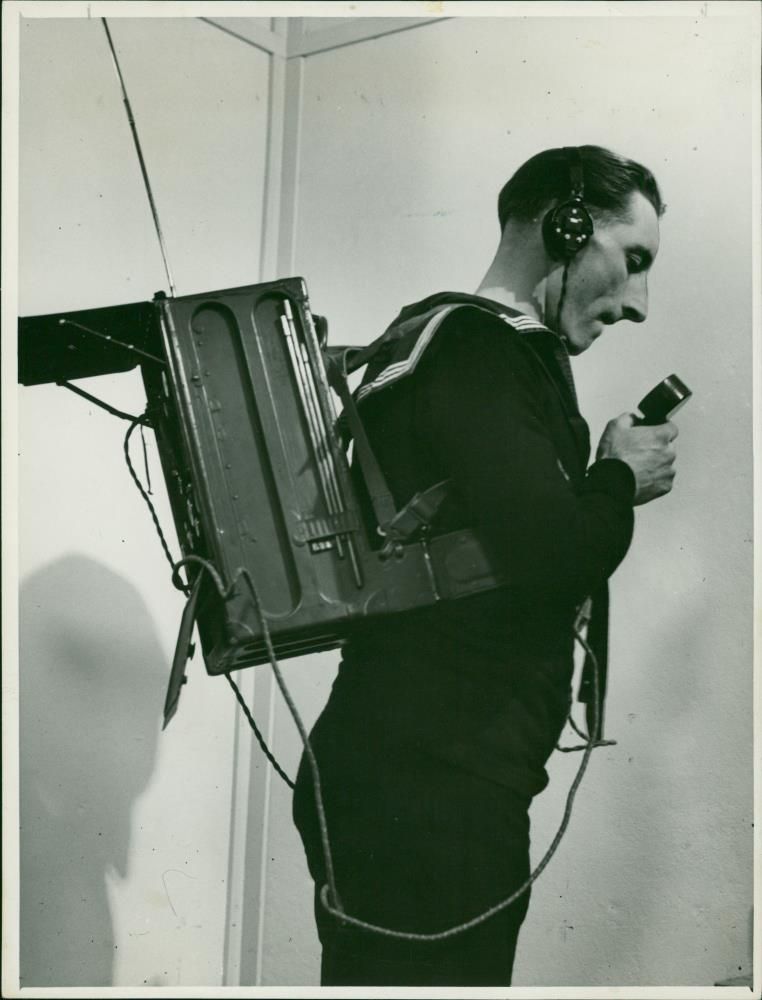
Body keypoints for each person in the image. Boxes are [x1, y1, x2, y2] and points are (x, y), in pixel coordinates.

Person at [292, 145, 678, 987]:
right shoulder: (480, 350)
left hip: (412, 775)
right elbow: (554, 556)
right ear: (565, 227)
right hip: (437, 795)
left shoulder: (435, 344)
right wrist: (617, 473)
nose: (640, 304)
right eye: (633, 260)